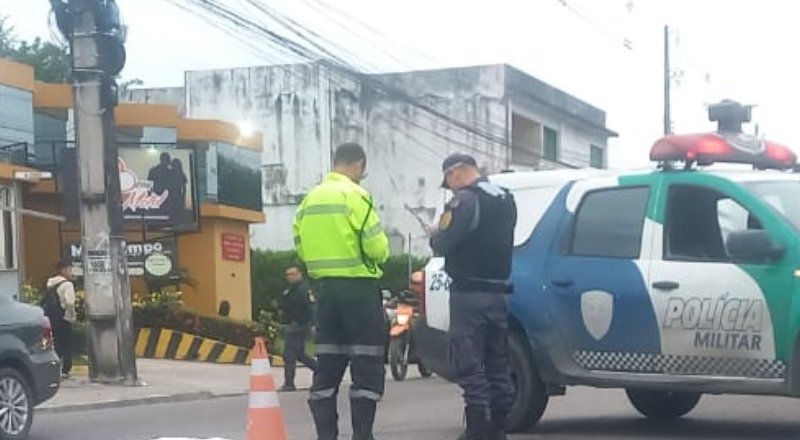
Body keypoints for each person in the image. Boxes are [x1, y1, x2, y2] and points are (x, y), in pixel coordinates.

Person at [293, 142, 390, 440]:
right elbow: (378, 248)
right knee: (366, 366)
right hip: (360, 292)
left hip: (326, 294)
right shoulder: (356, 195)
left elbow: (300, 245)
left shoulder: (308, 200)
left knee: (327, 367)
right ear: (357, 164)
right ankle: (362, 435)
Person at [428, 152, 517, 440]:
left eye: (449, 180)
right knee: (497, 362)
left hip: (469, 294)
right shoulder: (505, 197)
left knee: (470, 364)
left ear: (456, 172)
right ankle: (499, 427)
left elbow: (443, 242)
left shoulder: (464, 201)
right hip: (499, 293)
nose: (450, 187)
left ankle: (479, 431)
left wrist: (433, 234)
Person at [278, 265, 318, 392]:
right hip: (293, 323)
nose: (289, 277)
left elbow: (311, 307)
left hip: (300, 324)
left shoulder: (304, 289)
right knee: (299, 354)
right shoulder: (291, 289)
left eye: (292, 274)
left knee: (289, 354)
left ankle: (289, 383)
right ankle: (321, 371)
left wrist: (312, 323)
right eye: (287, 275)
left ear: (299, 274)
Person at [43, 259, 77, 379]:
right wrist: (71, 315)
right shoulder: (67, 284)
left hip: (52, 318)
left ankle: (53, 368)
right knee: (67, 344)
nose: (70, 272)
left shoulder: (50, 283)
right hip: (64, 318)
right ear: (63, 270)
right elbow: (70, 302)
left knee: (55, 343)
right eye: (69, 269)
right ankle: (65, 370)